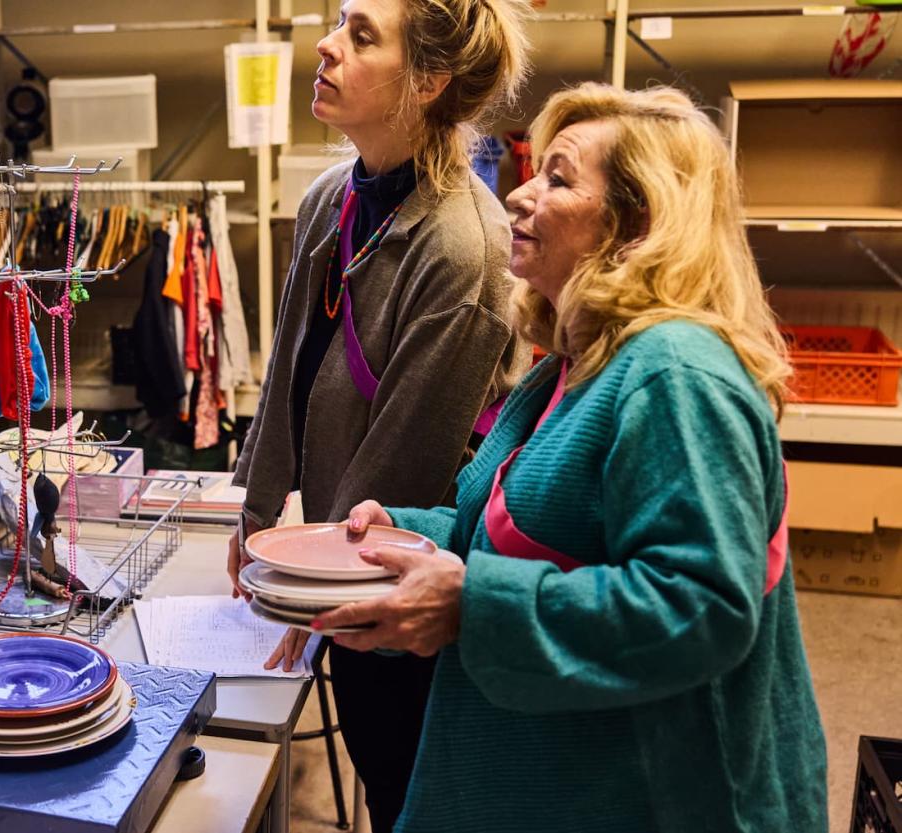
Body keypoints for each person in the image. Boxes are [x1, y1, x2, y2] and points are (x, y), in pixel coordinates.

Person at [313, 84, 828, 831]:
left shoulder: (676, 374)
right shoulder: (572, 365)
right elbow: (504, 524)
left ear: (636, 224)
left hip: (675, 798)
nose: (519, 194)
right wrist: (402, 530)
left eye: (557, 178)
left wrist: (473, 603)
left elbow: (701, 605)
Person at [225, 0, 530, 828]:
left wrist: (304, 583)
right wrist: (251, 511)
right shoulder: (332, 196)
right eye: (337, 23)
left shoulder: (466, 247)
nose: (325, 45)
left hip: (397, 570)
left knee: (402, 781)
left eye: (361, 36)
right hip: (337, 548)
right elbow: (288, 361)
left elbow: (406, 463)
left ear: (426, 82)